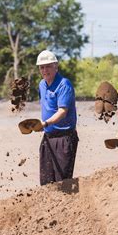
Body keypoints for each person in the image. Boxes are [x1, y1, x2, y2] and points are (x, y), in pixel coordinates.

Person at [36, 50, 79, 185]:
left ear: (56, 66)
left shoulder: (64, 84)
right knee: (46, 180)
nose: (45, 70)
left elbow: (62, 111)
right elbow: (46, 107)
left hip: (64, 137)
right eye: (42, 67)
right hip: (48, 137)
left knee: (63, 181)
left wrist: (45, 123)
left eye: (48, 66)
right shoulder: (42, 85)